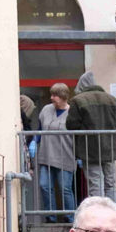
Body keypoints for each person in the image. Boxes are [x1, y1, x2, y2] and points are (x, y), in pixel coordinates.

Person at [65, 71, 116, 202]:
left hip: (89, 149)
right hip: (109, 148)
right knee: (111, 183)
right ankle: (113, 214)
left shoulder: (78, 100)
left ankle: (98, 215)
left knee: (95, 183)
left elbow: (71, 124)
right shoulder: (112, 99)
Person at [36, 83, 76, 223]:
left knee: (65, 189)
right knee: (44, 186)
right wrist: (34, 142)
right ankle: (50, 217)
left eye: (55, 95)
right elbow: (40, 129)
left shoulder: (72, 113)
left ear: (63, 97)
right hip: (46, 155)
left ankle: (71, 218)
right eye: (51, 95)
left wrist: (80, 157)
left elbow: (78, 136)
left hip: (65, 156)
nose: (52, 98)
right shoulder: (46, 110)